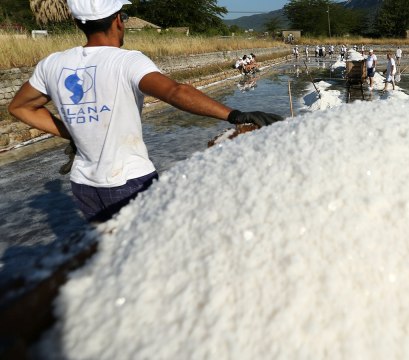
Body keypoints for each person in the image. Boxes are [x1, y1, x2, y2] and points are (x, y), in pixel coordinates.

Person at [8, 0, 282, 223]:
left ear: (79, 23)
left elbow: (19, 107)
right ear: (118, 20)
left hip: (83, 185)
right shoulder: (127, 61)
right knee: (148, 250)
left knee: (107, 251)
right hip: (129, 180)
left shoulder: (52, 63)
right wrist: (236, 115)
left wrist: (73, 134)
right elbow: (175, 92)